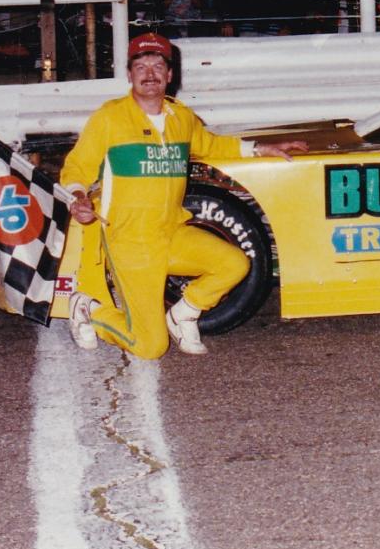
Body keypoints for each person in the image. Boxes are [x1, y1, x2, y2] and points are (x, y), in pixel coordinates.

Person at [61, 32, 306, 358]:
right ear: (129, 74)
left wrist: (261, 148)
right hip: (131, 243)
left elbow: (212, 145)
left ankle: (183, 314)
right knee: (150, 347)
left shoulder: (181, 117)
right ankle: (89, 309)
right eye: (141, 67)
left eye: (158, 66)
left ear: (170, 74)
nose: (150, 74)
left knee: (234, 263)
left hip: (171, 233)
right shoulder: (110, 117)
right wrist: (77, 197)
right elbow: (76, 167)